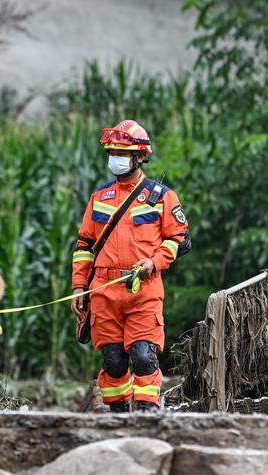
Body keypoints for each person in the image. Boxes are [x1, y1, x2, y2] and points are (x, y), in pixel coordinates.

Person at [71, 120, 189, 413]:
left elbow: (179, 239)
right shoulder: (99, 198)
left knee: (143, 355)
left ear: (139, 156)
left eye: (122, 153)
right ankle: (119, 414)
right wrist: (78, 287)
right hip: (103, 292)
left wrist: (154, 262)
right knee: (113, 360)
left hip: (143, 290)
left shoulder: (161, 197)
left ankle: (149, 412)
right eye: (112, 152)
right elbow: (84, 245)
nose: (116, 159)